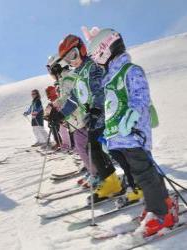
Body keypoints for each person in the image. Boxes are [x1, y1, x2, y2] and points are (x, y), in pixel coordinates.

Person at [88, 28, 177, 236]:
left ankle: (161, 213)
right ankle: (162, 203)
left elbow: (141, 97)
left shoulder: (130, 70)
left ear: (105, 50)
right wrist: (107, 135)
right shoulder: (109, 79)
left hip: (134, 134)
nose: (95, 60)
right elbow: (111, 108)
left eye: (95, 55)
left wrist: (132, 117)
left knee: (144, 174)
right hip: (118, 139)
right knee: (141, 175)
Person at [52, 34, 124, 202]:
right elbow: (75, 98)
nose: (72, 61)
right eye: (67, 59)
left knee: (118, 149)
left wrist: (96, 109)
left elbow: (100, 89)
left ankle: (142, 179)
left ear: (82, 49)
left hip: (105, 115)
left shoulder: (92, 67)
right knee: (95, 150)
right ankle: (111, 182)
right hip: (93, 118)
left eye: (73, 55)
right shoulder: (78, 74)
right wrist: (61, 114)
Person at [44, 86, 62, 150]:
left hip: (56, 118)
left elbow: (53, 108)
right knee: (54, 131)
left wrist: (47, 113)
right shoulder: (52, 99)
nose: (47, 94)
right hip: (53, 118)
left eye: (47, 92)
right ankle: (58, 142)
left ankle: (59, 143)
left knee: (56, 131)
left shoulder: (55, 99)